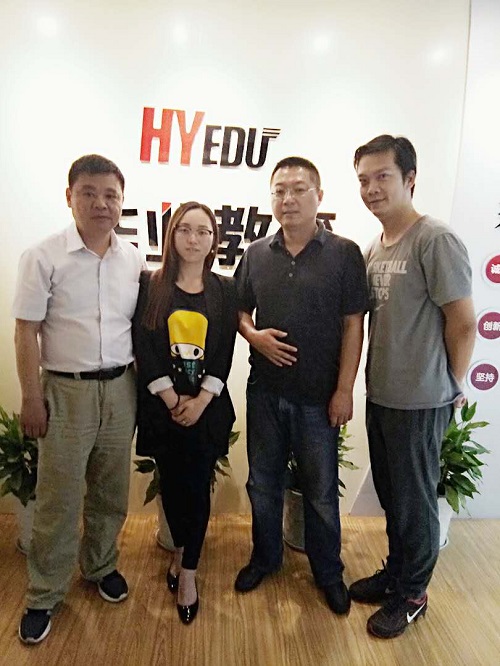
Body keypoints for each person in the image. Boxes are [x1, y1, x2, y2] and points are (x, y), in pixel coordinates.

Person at [12, 155, 145, 644]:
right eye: (89, 193)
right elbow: (25, 332)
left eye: (111, 195)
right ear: (70, 197)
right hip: (64, 390)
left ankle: (100, 566)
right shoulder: (43, 256)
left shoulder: (132, 258)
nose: (101, 204)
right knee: (59, 497)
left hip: (121, 387)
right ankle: (44, 592)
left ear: (122, 201)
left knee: (110, 490)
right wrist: (32, 397)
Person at [350, 135, 476, 638]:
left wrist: (452, 383)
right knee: (392, 495)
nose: (372, 188)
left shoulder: (434, 239)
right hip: (382, 395)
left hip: (421, 401)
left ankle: (413, 595)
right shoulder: (374, 247)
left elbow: (463, 322)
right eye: (364, 180)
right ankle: (397, 574)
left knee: (416, 502)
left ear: (410, 178)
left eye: (382, 176)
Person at [234, 156, 369, 614]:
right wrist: (253, 335)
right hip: (265, 393)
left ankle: (328, 572)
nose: (287, 199)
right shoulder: (256, 253)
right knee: (263, 483)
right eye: (279, 191)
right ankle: (265, 558)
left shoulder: (344, 253)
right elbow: (240, 310)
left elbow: (353, 324)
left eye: (298, 189)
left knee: (320, 491)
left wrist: (345, 390)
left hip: (318, 397)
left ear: (319, 196)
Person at [133, 201, 238, 625]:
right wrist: (173, 399)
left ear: (214, 240)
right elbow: (144, 346)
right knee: (173, 489)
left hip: (206, 411)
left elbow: (225, 351)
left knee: (197, 490)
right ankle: (178, 553)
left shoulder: (225, 289)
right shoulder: (150, 284)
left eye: (203, 232)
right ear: (172, 235)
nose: (194, 239)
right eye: (185, 230)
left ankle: (189, 573)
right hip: (164, 410)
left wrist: (200, 401)